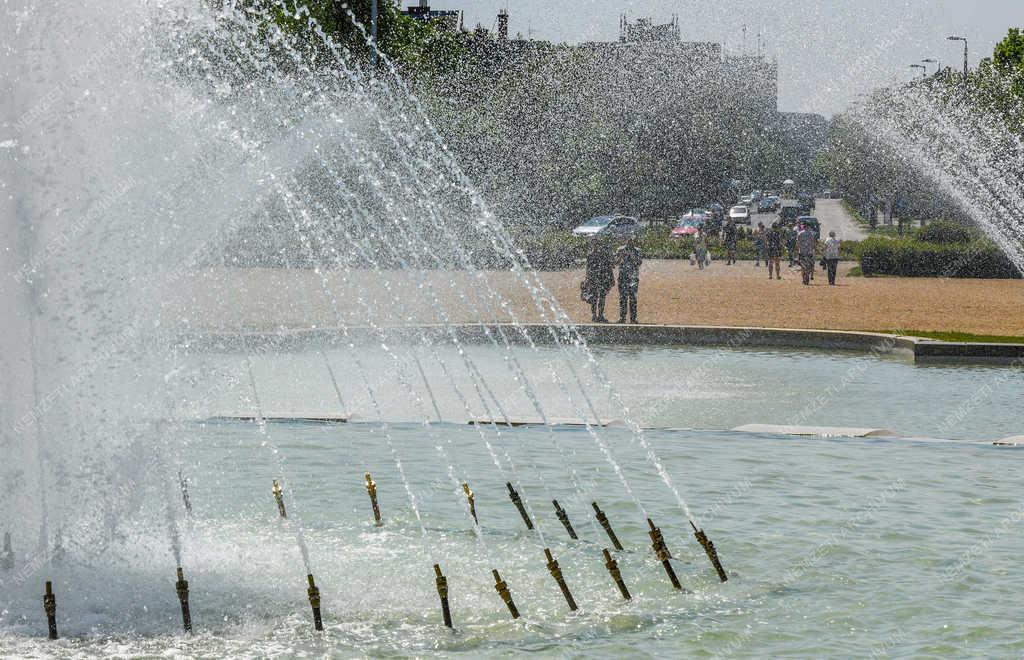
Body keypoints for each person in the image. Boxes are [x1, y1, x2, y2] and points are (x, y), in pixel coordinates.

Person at [584, 237, 614, 322]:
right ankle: (594, 315)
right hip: (594, 279)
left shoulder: (604, 254)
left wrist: (611, 277)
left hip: (602, 278)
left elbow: (609, 267)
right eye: (594, 244)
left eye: (597, 244)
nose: (596, 246)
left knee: (602, 297)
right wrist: (587, 279)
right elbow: (588, 269)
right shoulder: (590, 255)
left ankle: (600, 315)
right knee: (594, 298)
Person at [615, 237, 642, 324]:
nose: (630, 242)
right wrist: (621, 256)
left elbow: (639, 263)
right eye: (628, 240)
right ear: (625, 240)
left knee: (633, 298)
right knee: (622, 298)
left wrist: (632, 256)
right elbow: (616, 263)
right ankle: (622, 318)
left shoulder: (637, 250)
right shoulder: (620, 249)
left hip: (633, 278)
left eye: (631, 240)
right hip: (622, 277)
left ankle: (633, 318)